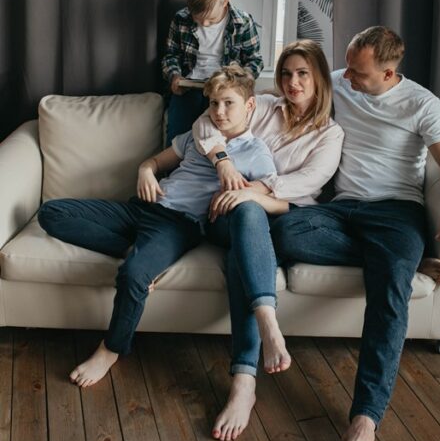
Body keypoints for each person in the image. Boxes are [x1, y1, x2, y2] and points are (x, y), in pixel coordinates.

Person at [270, 26, 440, 441]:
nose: (346, 79)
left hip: (396, 212)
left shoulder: (422, 104)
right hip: (341, 209)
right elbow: (290, 93)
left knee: (389, 291)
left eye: (358, 74)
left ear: (388, 73)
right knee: (286, 232)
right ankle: (404, 261)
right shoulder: (339, 82)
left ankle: (366, 416)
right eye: (346, 68)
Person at [38, 66, 276, 387]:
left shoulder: (255, 151)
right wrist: (145, 172)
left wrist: (241, 192)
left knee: (133, 274)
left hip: (178, 225)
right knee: (52, 212)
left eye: (228, 103)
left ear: (249, 105)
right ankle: (130, 249)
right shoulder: (198, 134)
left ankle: (111, 349)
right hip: (143, 208)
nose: (219, 112)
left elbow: (269, 192)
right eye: (213, 103)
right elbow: (154, 162)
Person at [192, 40, 344, 441]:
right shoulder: (260, 106)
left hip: (284, 215)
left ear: (320, 78)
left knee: (246, 236)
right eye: (286, 73)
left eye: (303, 73)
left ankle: (244, 381)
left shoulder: (330, 134)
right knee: (246, 216)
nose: (293, 82)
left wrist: (256, 190)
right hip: (229, 212)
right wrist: (223, 161)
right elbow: (204, 123)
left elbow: (310, 181)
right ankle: (266, 326)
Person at [161, 0, 263, 145]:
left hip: (224, 88)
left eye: (210, 19)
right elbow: (171, 56)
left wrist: (245, 77)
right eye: (198, 19)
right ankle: (175, 164)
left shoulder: (243, 22)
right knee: (177, 138)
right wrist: (174, 76)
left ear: (225, 3)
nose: (204, 24)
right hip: (189, 88)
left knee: (220, 141)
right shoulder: (181, 19)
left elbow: (254, 60)